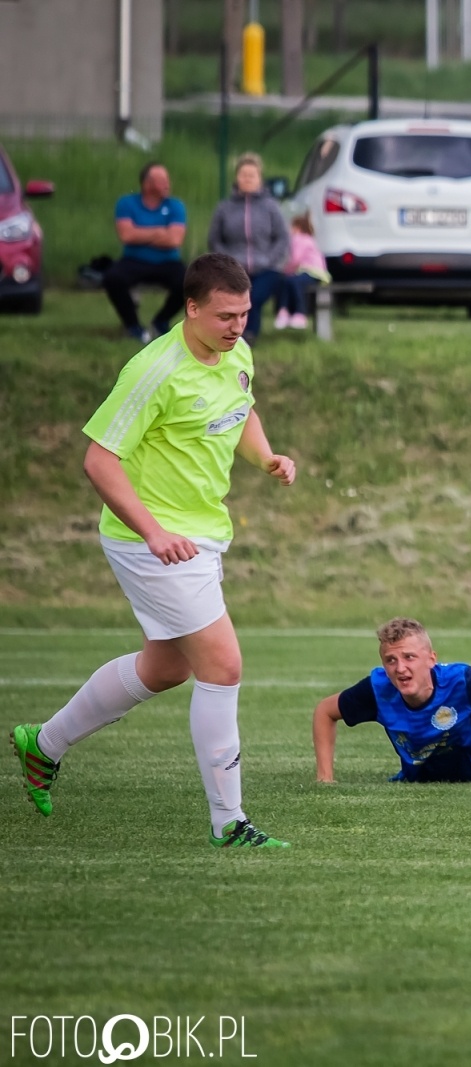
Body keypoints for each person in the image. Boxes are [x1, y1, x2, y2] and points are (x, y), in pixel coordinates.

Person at [11, 253, 296, 848]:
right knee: (223, 665)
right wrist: (152, 532)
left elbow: (240, 410)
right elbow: (99, 459)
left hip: (201, 533)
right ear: (190, 308)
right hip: (153, 540)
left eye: (244, 314)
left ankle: (45, 744)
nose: (237, 326)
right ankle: (230, 823)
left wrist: (266, 456)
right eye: (224, 315)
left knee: (167, 666)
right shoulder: (154, 370)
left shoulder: (235, 352)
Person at [311, 617, 471, 785]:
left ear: (431, 659)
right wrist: (325, 777)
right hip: (424, 773)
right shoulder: (378, 689)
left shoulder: (465, 681)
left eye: (409, 657)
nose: (400, 668)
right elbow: (325, 711)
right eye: (390, 660)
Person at [207, 152, 288, 344]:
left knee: (253, 296)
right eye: (244, 174)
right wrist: (226, 262)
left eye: (252, 175)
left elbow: (282, 238)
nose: (248, 179)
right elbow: (214, 239)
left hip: (266, 268)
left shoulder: (271, 207)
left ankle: (248, 336)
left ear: (260, 178)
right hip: (234, 268)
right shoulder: (224, 208)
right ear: (237, 177)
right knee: (234, 297)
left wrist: (270, 259)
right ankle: (235, 337)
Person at [104, 162, 187, 344]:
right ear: (147, 184)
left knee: (189, 282)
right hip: (134, 260)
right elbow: (126, 235)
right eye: (162, 180)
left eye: (167, 179)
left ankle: (161, 321)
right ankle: (133, 326)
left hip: (168, 262)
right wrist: (159, 232)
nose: (168, 184)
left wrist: (140, 233)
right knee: (112, 278)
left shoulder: (175, 206)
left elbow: (175, 240)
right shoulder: (126, 203)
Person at [274, 213, 328, 331]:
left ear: (297, 227)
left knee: (293, 282)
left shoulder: (299, 239)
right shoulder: (309, 239)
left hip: (313, 272)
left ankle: (300, 313)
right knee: (287, 282)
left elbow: (295, 259)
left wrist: (285, 270)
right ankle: (284, 311)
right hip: (307, 272)